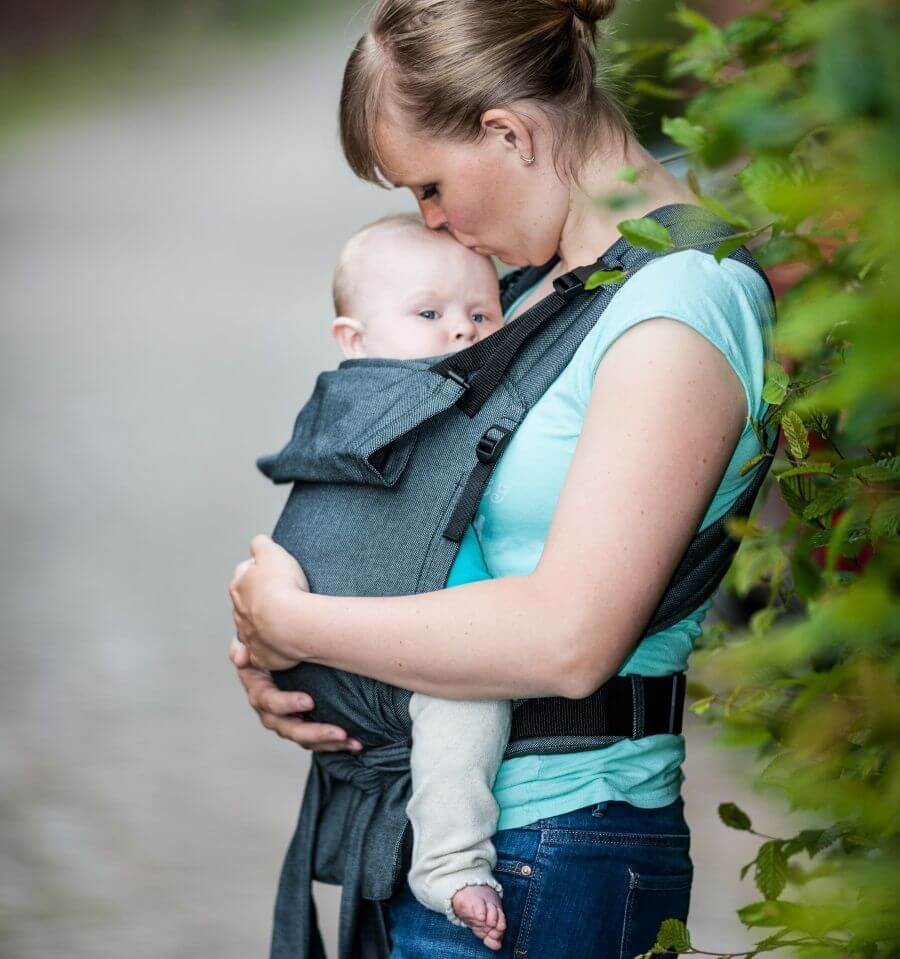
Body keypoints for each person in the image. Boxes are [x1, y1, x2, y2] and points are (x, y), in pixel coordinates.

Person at [229, 1, 776, 956]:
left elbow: (570, 639)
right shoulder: (530, 279)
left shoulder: (677, 307)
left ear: (509, 130)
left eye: (432, 186)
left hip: (548, 852)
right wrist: (290, 668)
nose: (431, 222)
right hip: (429, 827)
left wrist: (298, 623)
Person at [280, 209, 518, 949]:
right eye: (429, 312)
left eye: (482, 312)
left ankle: (443, 861)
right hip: (405, 649)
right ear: (354, 341)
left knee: (460, 708)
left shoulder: (478, 395)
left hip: (409, 640)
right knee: (467, 704)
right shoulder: (363, 413)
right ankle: (451, 862)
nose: (461, 330)